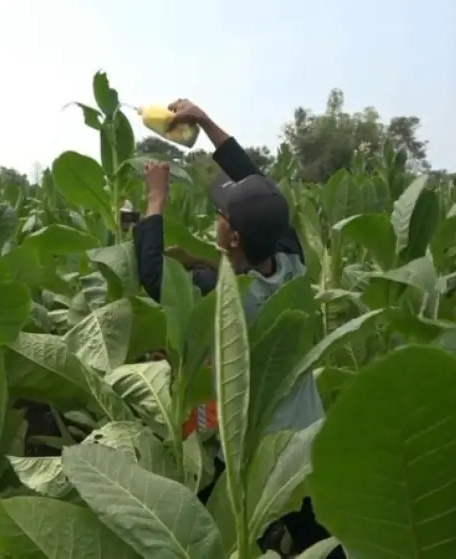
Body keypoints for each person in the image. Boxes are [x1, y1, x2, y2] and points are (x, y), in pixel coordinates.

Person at [132, 99, 340, 558]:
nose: (217, 217)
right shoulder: (293, 263)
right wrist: (204, 122)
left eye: (222, 216)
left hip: (255, 451)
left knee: (218, 526)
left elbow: (153, 277)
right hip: (308, 437)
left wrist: (155, 199)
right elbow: (258, 186)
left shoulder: (224, 298)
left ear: (234, 238)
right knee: (322, 539)